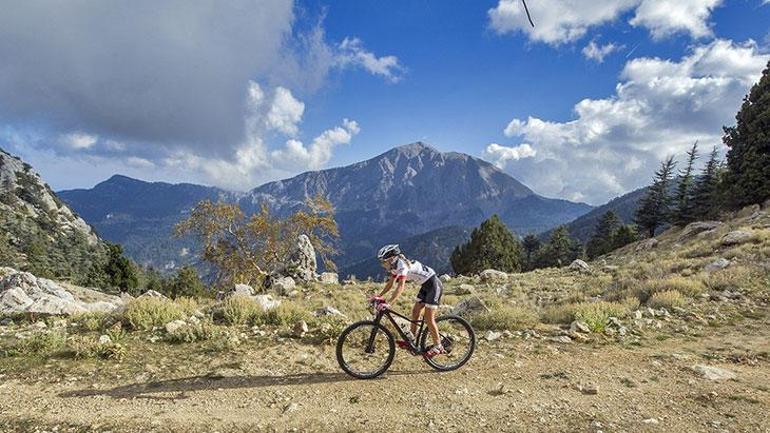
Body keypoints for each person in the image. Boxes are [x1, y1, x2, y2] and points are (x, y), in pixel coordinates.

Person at [372, 244, 445, 358]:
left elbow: (400, 286)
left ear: (392, 259)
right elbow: (390, 283)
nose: (382, 264)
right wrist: (379, 296)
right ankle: (411, 339)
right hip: (425, 286)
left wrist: (389, 303)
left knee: (428, 317)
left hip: (434, 285)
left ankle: (438, 346)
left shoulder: (402, 266)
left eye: (384, 261)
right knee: (415, 312)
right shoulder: (394, 266)